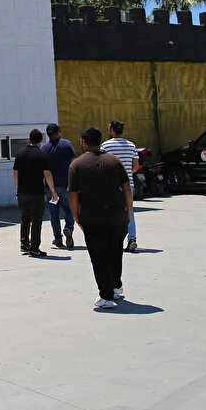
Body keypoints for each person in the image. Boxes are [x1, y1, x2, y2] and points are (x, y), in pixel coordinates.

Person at [68, 126, 134, 309]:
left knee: (99, 256)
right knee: (115, 252)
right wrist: (129, 212)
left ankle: (106, 296)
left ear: (84, 142)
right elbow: (127, 188)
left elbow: (73, 195)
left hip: (93, 216)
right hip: (117, 215)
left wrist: (76, 218)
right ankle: (115, 287)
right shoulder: (114, 162)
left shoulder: (77, 165)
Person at [13, 128, 55, 257]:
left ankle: (24, 244)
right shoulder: (42, 154)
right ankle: (34, 247)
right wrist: (53, 191)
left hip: (22, 192)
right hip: (36, 192)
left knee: (25, 217)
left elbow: (16, 173)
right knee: (37, 220)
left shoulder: (20, 153)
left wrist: (17, 190)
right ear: (41, 140)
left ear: (29, 139)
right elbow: (47, 173)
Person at [101, 120, 140, 253]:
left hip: (111, 185)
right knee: (129, 211)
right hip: (128, 184)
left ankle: (112, 239)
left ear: (112, 130)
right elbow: (136, 166)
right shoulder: (131, 145)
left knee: (111, 212)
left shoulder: (105, 146)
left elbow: (102, 165)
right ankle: (132, 239)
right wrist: (127, 172)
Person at [39, 123, 76, 249]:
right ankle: (69, 228)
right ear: (58, 132)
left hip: (51, 188)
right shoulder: (67, 144)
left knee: (54, 213)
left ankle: (58, 239)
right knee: (69, 210)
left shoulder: (43, 148)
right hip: (66, 185)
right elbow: (73, 163)